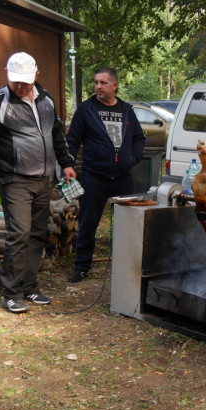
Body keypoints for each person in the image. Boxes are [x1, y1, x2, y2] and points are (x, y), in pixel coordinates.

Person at [0, 52, 76, 313]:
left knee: (37, 233)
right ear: (7, 74)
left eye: (25, 81)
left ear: (36, 76)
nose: (20, 86)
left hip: (43, 179)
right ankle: (11, 293)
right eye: (15, 80)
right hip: (13, 178)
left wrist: (66, 163)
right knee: (20, 234)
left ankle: (29, 286)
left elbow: (57, 134)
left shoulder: (46, 100)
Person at [66, 67, 145, 283]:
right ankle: (82, 267)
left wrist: (133, 158)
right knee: (88, 223)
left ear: (114, 86)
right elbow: (72, 140)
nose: (98, 86)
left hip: (122, 177)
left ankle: (128, 265)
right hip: (94, 176)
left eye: (103, 83)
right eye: (96, 82)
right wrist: (68, 164)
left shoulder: (126, 110)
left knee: (127, 224)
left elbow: (139, 138)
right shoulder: (86, 110)